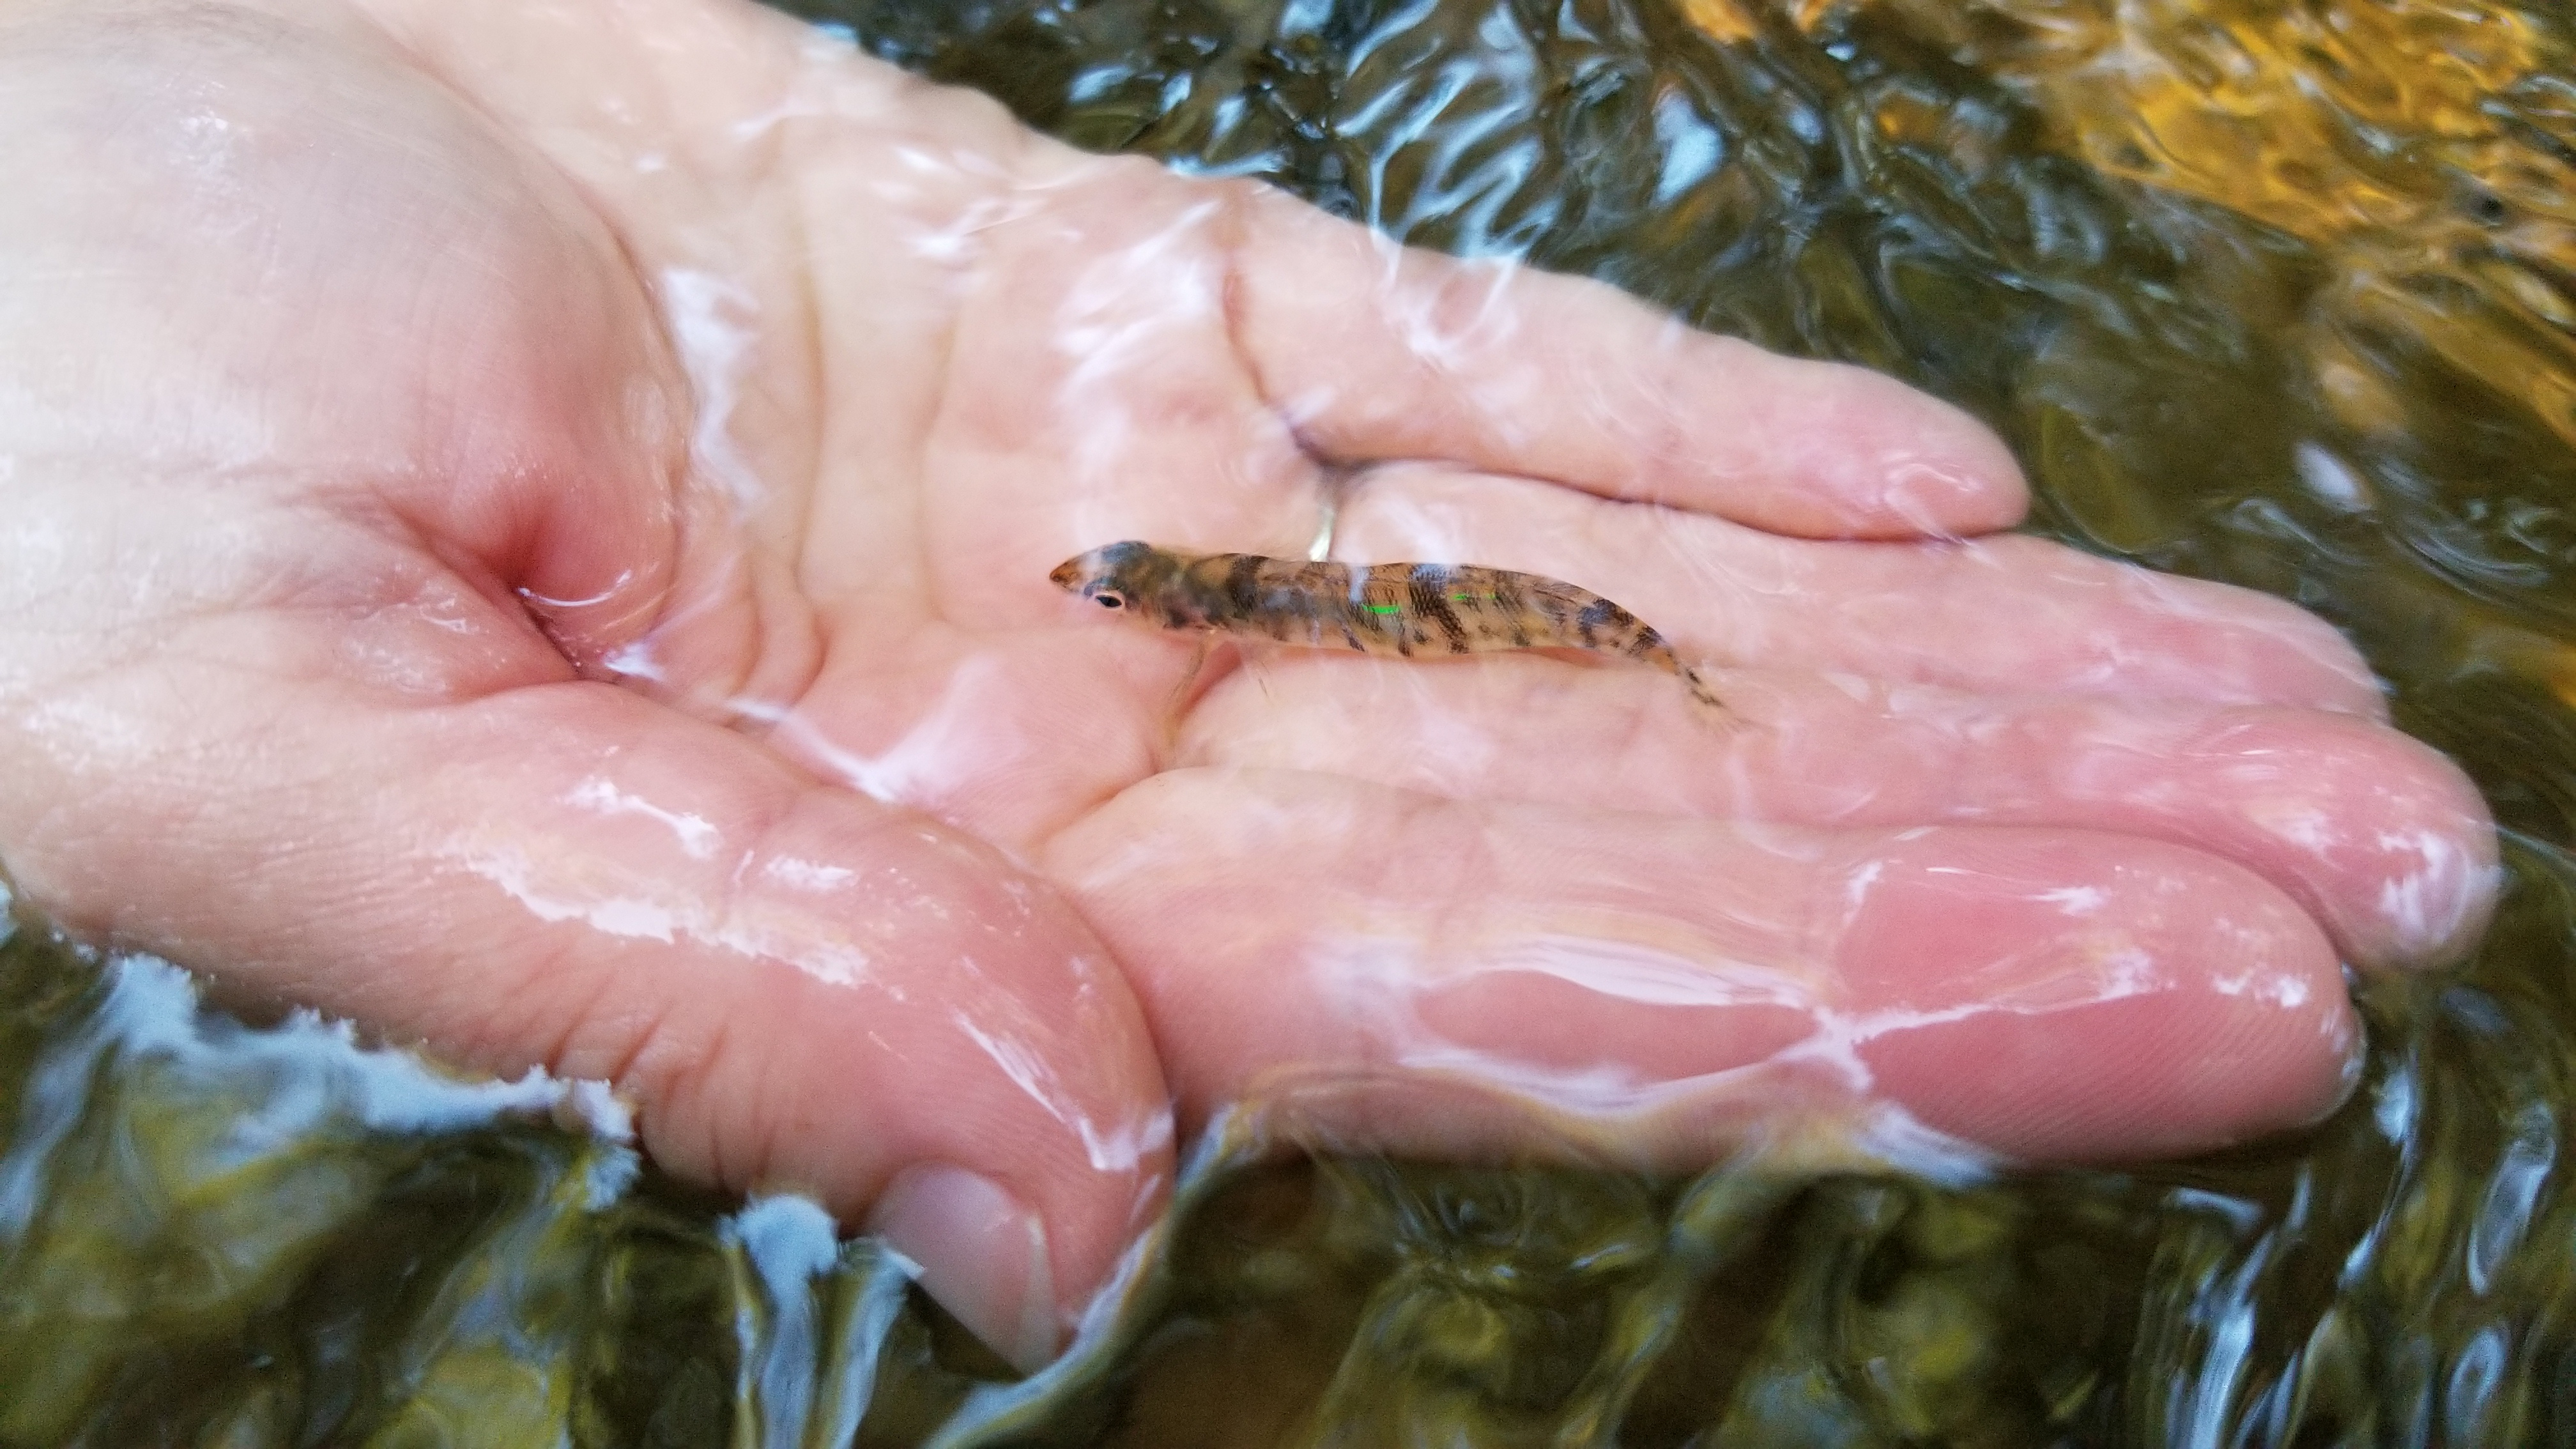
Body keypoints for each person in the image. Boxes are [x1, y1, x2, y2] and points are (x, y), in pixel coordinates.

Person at [0, 0, 2497, 1374]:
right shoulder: (1197, 580)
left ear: (1170, 583)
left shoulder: (1257, 588)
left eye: (1134, 589)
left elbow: (1284, 601)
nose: (1127, 599)